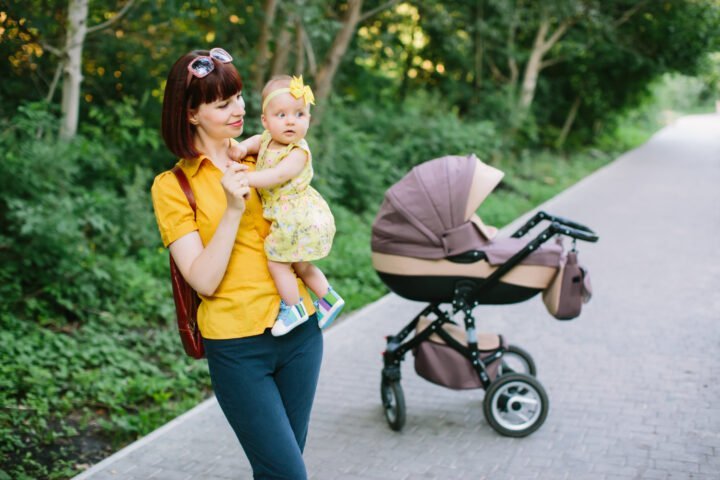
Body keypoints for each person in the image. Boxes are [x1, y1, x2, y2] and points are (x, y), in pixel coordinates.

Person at [151, 48, 322, 480]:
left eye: (240, 97)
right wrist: (231, 209)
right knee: (288, 474)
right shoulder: (173, 187)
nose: (240, 110)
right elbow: (204, 280)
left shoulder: (265, 155)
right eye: (223, 103)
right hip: (239, 348)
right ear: (191, 114)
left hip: (300, 332)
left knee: (282, 468)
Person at [229, 75, 345, 336]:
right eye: (281, 115)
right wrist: (240, 149)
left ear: (308, 120)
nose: (291, 120)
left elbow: (276, 176)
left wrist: (247, 178)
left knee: (277, 262)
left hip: (296, 217)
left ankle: (294, 308)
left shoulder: (297, 152)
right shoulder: (268, 139)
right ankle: (329, 298)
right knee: (300, 265)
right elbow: (254, 142)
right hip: (289, 217)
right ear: (266, 121)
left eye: (299, 114)